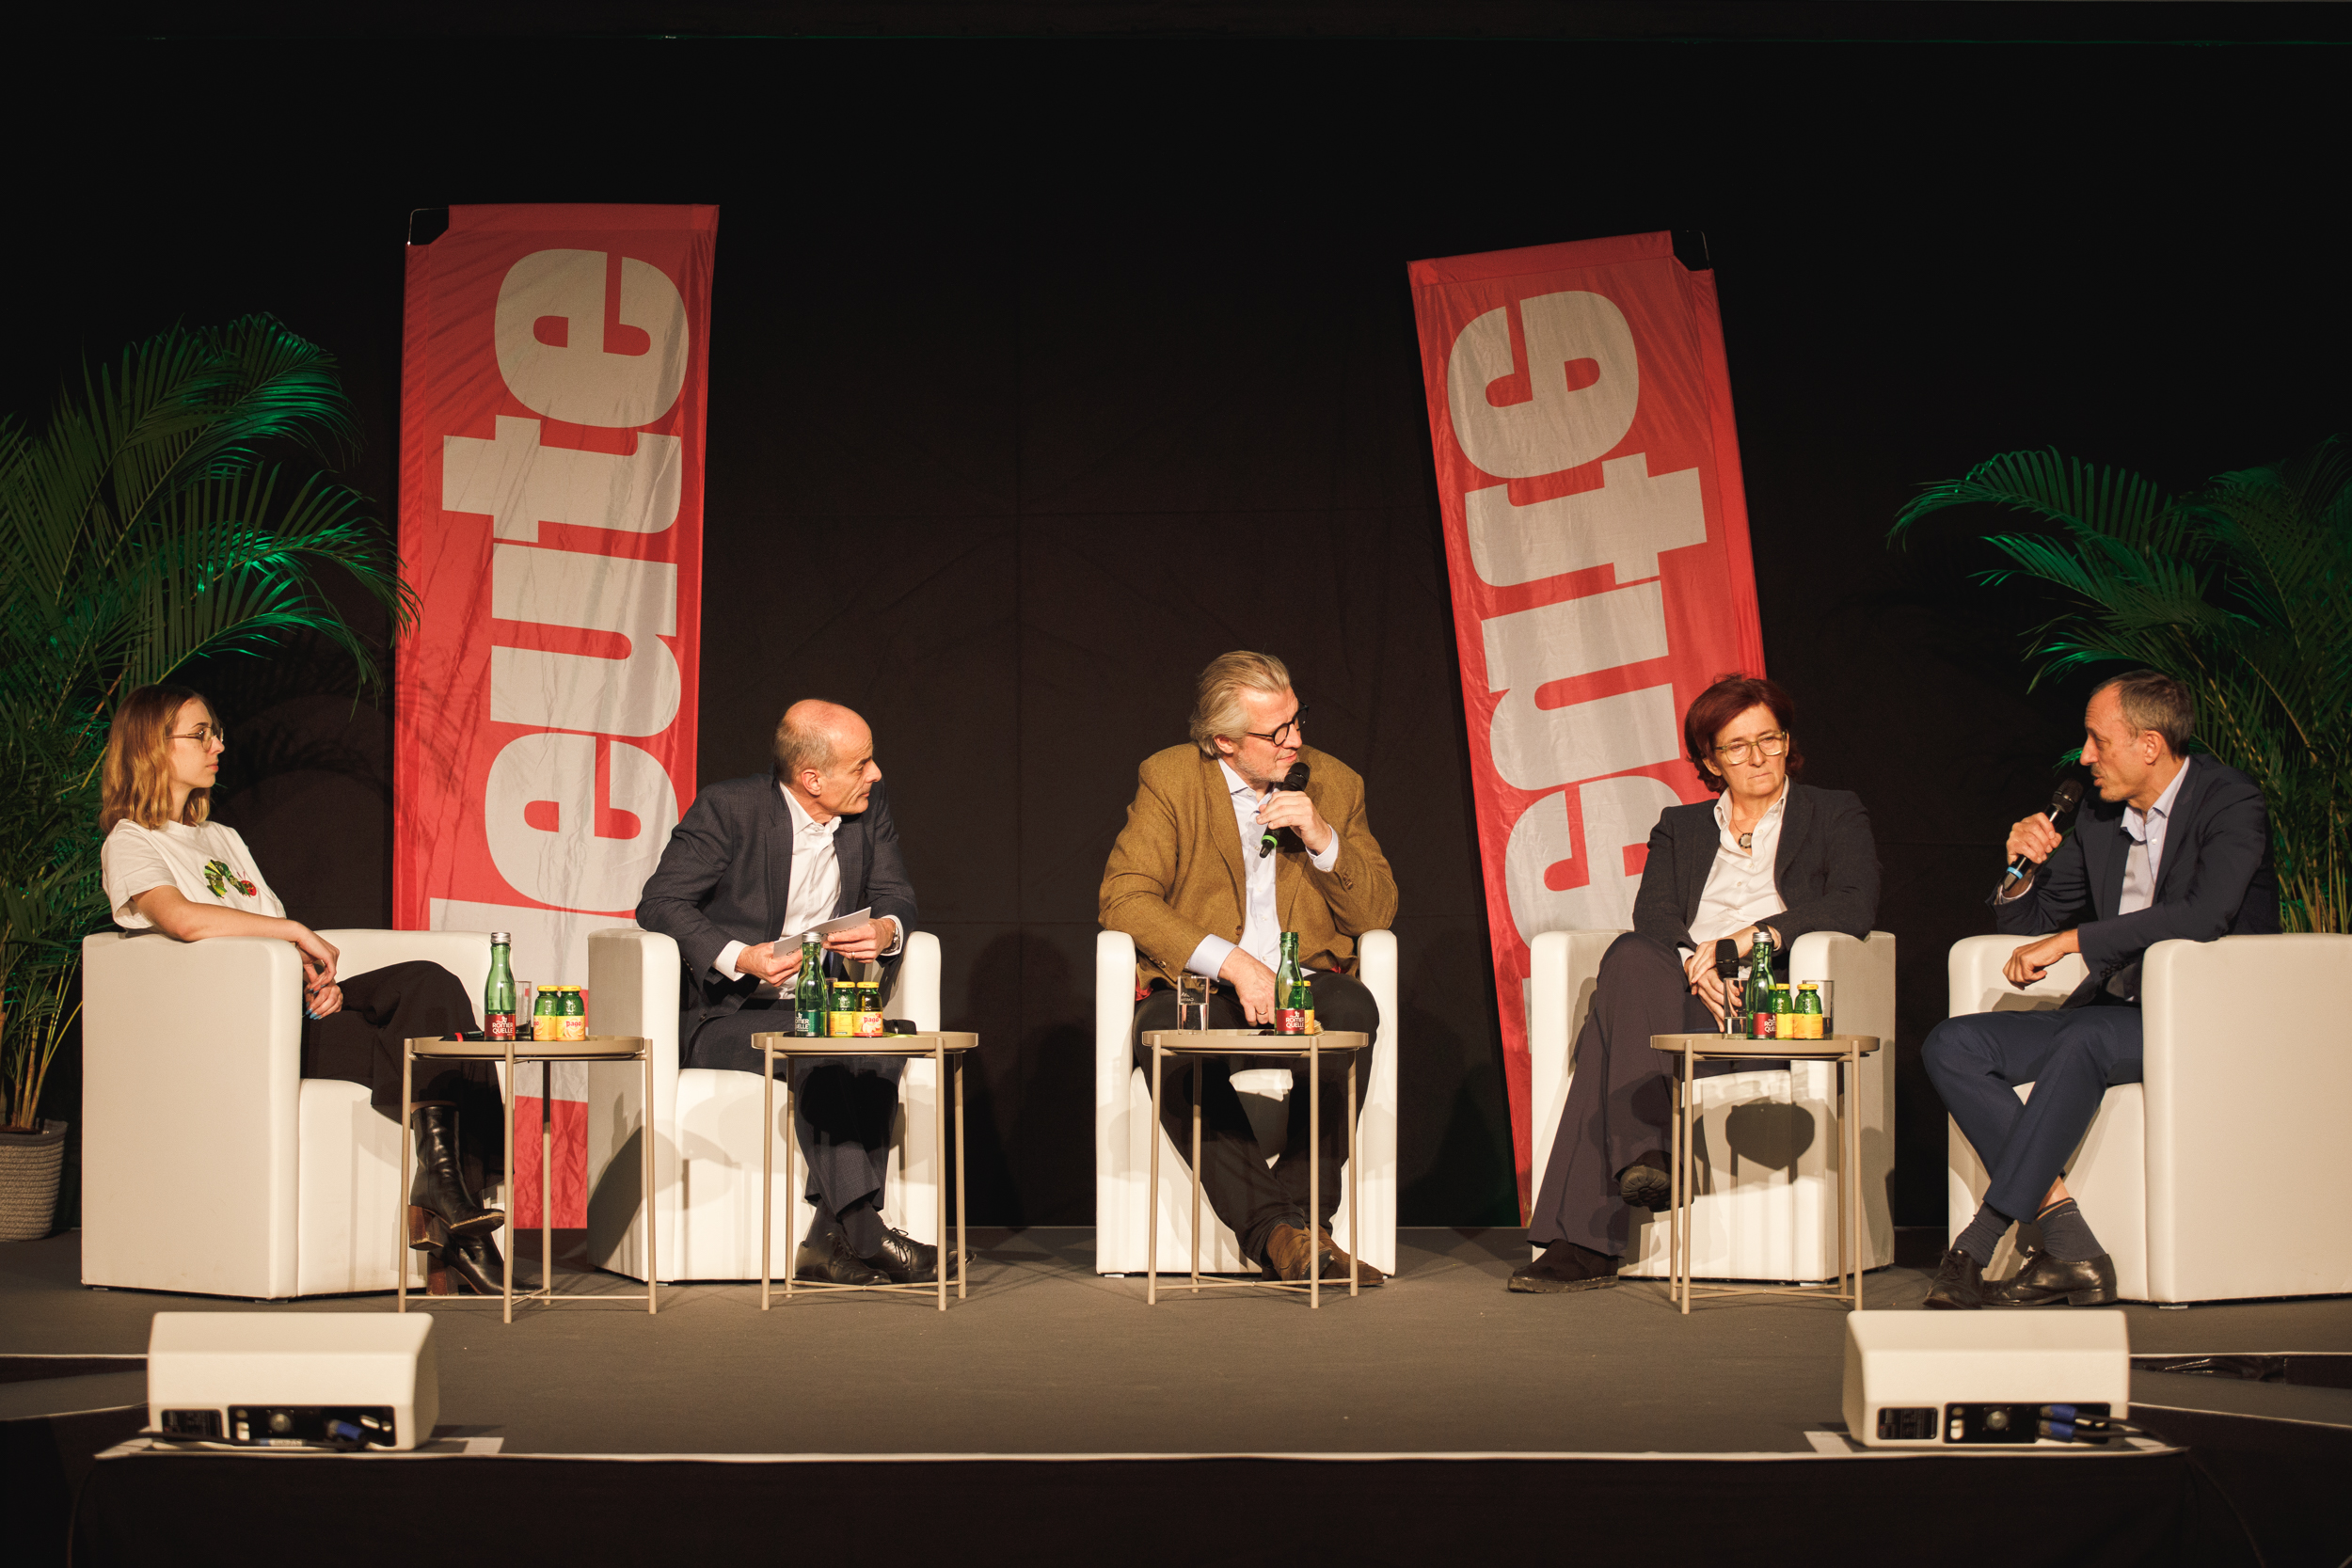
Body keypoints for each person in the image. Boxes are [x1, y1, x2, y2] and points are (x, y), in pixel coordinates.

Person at [99, 685, 512, 1295]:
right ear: (153, 747)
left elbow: (264, 934)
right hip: (237, 1026)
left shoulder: (224, 838)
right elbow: (183, 919)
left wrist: (311, 974)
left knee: (433, 985)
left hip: (291, 1005)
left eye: (216, 731)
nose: (218, 744)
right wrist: (293, 932)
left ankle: (445, 1198)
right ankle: (464, 1233)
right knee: (424, 1045)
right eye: (202, 733)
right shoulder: (132, 840)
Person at [1512, 673, 1880, 1294]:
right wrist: (1694, 964)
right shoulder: (1679, 826)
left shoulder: (1833, 811)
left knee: (1608, 1025)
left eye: (1770, 738)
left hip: (1762, 998)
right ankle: (1639, 1163)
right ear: (1709, 758)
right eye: (1737, 746)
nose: (1758, 756)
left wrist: (1744, 942)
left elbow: (1853, 904)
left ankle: (1590, 1231)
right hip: (1680, 993)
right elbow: (1654, 916)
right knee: (1631, 952)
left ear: (1788, 742)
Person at [1922, 671, 2276, 1309]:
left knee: (2084, 1037)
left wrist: (2072, 942)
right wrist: (2019, 872)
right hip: (2113, 1012)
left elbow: (2204, 916)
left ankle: (1980, 1240)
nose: (2084, 757)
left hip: (2198, 1013)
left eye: (2096, 740)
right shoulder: (2098, 814)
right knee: (1954, 1043)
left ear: (2148, 745)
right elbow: (2027, 928)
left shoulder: (2231, 801)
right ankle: (2072, 1243)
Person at [1100, 651, 1399, 1285]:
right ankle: (1285, 1231)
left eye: (1297, 720)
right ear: (1222, 742)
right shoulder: (1171, 778)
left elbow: (1379, 910)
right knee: (1164, 1033)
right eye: (1277, 732)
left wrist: (1323, 838)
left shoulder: (1336, 785)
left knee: (1352, 1009)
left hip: (1305, 983)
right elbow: (1123, 897)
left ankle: (1299, 1224)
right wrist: (1231, 961)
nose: (1297, 740)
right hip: (1209, 983)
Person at [635, 699, 926, 1287]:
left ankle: (826, 1243)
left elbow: (897, 894)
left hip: (827, 1007)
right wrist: (741, 957)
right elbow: (659, 902)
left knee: (885, 1044)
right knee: (816, 1047)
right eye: (862, 764)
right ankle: (868, 1234)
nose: (876, 774)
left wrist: (886, 931)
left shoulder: (867, 811)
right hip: (729, 1016)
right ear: (812, 778)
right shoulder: (730, 809)